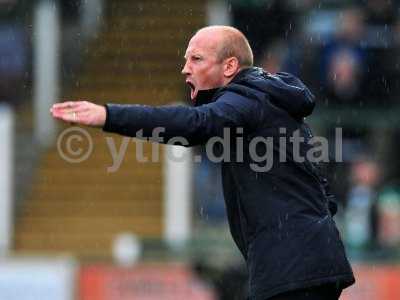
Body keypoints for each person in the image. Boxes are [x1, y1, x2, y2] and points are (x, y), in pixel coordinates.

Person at [51, 26, 355, 300]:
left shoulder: (248, 98)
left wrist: (108, 116)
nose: (185, 69)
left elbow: (195, 124)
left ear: (230, 66)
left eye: (196, 59)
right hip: (303, 264)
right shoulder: (269, 99)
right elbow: (321, 185)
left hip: (293, 271)